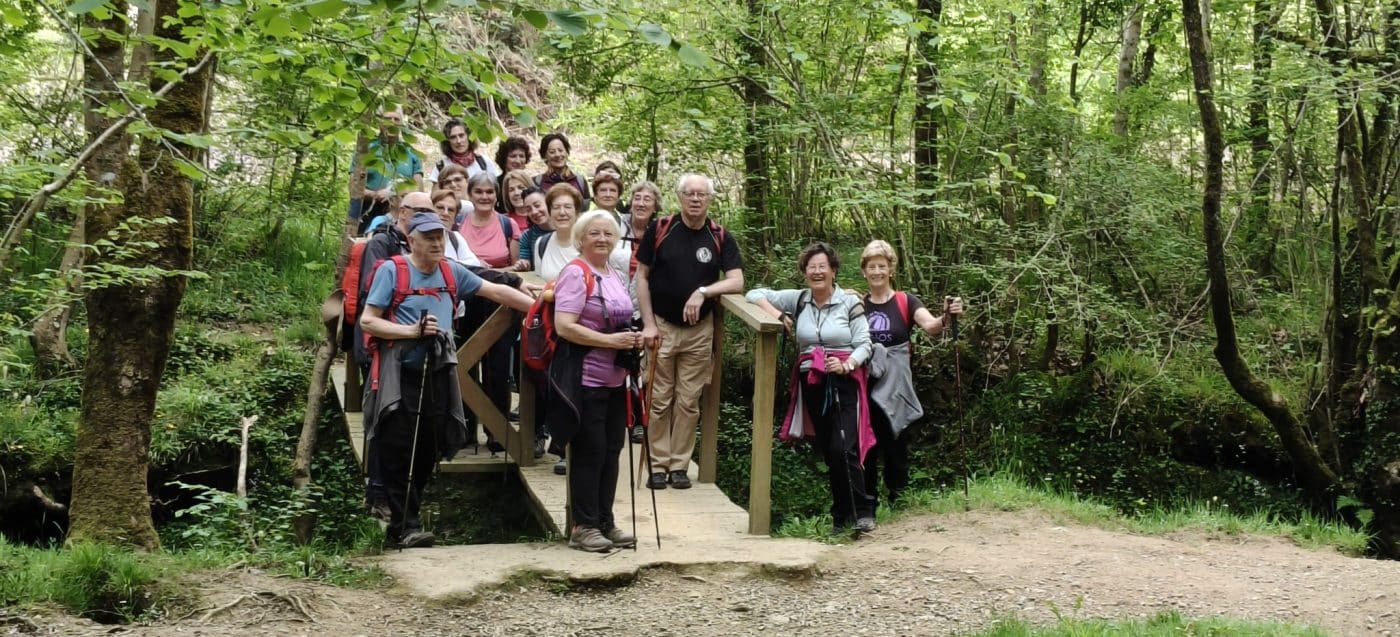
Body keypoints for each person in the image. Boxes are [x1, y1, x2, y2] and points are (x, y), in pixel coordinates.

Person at [360, 211, 534, 547]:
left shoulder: (450, 271)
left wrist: (540, 310)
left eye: (440, 236)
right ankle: (404, 526)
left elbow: (496, 292)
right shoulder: (391, 271)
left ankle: (408, 520)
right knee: (399, 446)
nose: (437, 242)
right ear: (412, 240)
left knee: (429, 444)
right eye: (428, 237)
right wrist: (410, 332)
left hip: (438, 370)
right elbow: (369, 321)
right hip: (400, 372)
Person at [746, 242, 876, 534]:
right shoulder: (799, 300)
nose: (817, 272)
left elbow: (865, 344)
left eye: (822, 267)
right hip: (812, 382)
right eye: (811, 267)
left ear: (833, 270)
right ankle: (842, 517)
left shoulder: (849, 303)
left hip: (843, 380)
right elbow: (753, 293)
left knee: (844, 447)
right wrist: (778, 314)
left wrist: (846, 365)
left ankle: (863, 511)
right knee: (829, 451)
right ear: (804, 272)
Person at [636, 174, 744, 490]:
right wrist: (649, 323)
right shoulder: (661, 229)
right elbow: (641, 278)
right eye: (689, 193)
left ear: (710, 199)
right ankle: (657, 465)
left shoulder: (720, 236)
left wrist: (704, 291)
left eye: (702, 194)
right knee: (658, 398)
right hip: (663, 325)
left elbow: (736, 281)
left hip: (699, 332)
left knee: (688, 400)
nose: (695, 199)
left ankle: (678, 465)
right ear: (680, 196)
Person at [547, 210, 641, 552]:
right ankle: (583, 526)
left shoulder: (612, 273)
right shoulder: (576, 273)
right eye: (594, 233)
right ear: (581, 238)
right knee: (590, 450)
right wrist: (610, 342)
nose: (602, 238)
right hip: (584, 377)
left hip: (616, 378)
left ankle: (605, 521)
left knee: (613, 449)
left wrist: (633, 338)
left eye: (607, 233)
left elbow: (622, 317)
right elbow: (565, 326)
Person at [859, 240, 963, 509]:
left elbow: (930, 326)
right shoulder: (857, 304)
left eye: (882, 266)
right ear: (864, 271)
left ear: (891, 269)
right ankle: (867, 504)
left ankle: (899, 501)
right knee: (866, 446)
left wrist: (947, 316)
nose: (877, 272)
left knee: (896, 443)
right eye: (872, 267)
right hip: (863, 385)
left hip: (895, 387)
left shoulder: (905, 301)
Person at [353, 108, 423, 235]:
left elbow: (419, 191)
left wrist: (394, 194)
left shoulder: (411, 153)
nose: (392, 123)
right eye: (387, 119)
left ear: (402, 124)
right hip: (367, 211)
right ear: (379, 122)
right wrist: (376, 195)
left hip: (402, 213)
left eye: (396, 119)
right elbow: (353, 187)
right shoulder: (366, 149)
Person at [458, 172, 518, 269]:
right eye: (478, 192)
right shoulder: (457, 224)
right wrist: (475, 263)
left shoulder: (508, 225)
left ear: (496, 196)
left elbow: (516, 268)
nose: (484, 197)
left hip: (500, 282)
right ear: (470, 195)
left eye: (489, 192)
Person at [426, 117, 499, 188]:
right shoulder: (441, 166)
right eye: (453, 137)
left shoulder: (483, 162)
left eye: (461, 135)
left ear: (469, 137)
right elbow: (436, 196)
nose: (458, 141)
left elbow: (496, 188)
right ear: (447, 142)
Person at [534, 184, 583, 281]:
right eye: (556, 207)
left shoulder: (588, 243)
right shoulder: (541, 243)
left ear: (577, 213)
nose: (562, 212)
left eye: (568, 207)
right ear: (550, 212)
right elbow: (540, 282)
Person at [534, 133, 589, 210]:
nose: (557, 154)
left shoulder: (580, 181)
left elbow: (585, 212)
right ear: (545, 156)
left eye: (560, 150)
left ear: (567, 152)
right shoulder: (536, 183)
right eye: (552, 152)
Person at [431, 189, 483, 267]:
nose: (445, 213)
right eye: (440, 207)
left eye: (451, 210)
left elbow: (475, 263)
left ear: (454, 219)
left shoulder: (455, 237)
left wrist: (447, 263)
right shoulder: (419, 236)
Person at [515, 187, 551, 271]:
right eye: (529, 209)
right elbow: (526, 262)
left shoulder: (566, 230)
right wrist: (523, 265)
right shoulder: (527, 237)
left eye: (537, 205)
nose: (534, 212)